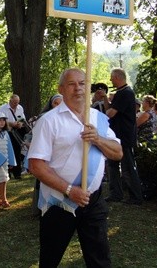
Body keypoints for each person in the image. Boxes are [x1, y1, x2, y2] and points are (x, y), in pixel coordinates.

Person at [28, 68, 122, 267]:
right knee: (50, 259)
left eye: (82, 83)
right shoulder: (49, 121)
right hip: (60, 201)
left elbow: (118, 152)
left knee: (100, 259)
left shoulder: (98, 119)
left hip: (93, 200)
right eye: (71, 84)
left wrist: (97, 139)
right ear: (61, 89)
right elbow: (36, 165)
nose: (78, 88)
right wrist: (70, 190)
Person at [102, 68, 144, 205]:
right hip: (117, 136)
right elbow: (109, 109)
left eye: (111, 77)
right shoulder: (121, 93)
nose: (110, 80)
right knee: (112, 165)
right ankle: (116, 193)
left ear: (118, 77)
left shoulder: (125, 93)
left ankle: (136, 196)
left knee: (127, 167)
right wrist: (104, 97)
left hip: (124, 136)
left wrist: (98, 119)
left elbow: (110, 113)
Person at [0, 94, 27, 179]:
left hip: (17, 132)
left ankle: (17, 173)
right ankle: (7, 172)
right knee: (7, 151)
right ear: (10, 101)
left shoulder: (20, 108)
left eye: (17, 103)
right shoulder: (3, 108)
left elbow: (22, 119)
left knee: (17, 152)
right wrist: (11, 123)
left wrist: (20, 124)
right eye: (14, 103)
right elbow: (0, 120)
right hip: (7, 132)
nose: (16, 104)